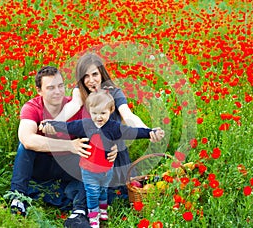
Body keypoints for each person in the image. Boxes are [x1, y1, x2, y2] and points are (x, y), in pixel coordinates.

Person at [42, 53, 165, 204]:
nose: (91, 80)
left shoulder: (114, 92)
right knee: (87, 188)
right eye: (86, 76)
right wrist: (54, 123)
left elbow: (128, 115)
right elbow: (72, 106)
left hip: (114, 154)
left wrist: (148, 131)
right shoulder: (80, 91)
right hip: (92, 155)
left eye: (95, 74)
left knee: (120, 190)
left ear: (102, 73)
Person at [9, 66, 117, 228]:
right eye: (51, 88)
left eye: (60, 86)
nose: (58, 92)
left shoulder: (75, 107)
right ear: (39, 91)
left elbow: (99, 131)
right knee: (24, 147)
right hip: (42, 164)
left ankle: (78, 213)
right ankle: (18, 198)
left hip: (68, 166)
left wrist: (111, 147)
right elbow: (27, 139)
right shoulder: (32, 107)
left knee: (92, 153)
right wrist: (69, 145)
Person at [44, 89, 165, 228]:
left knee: (103, 190)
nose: (99, 117)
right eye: (95, 113)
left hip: (107, 169)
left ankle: (103, 210)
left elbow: (132, 131)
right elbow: (67, 127)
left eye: (103, 113)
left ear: (111, 110)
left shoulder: (113, 127)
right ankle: (93, 217)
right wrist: (52, 124)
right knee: (92, 193)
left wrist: (150, 132)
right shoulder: (84, 125)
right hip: (89, 169)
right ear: (90, 111)